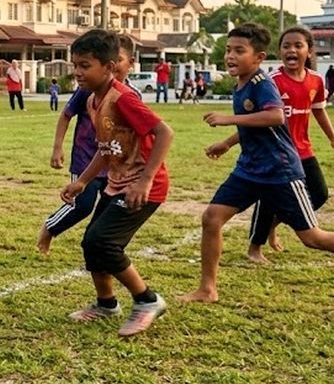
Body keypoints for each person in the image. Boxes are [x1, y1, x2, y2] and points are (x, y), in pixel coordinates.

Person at [180, 23, 334, 304]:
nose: (231, 56)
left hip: (280, 170)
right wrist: (226, 144)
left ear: (259, 57)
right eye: (228, 50)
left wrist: (229, 119)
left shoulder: (263, 84)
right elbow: (256, 125)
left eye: (240, 51)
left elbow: (275, 117)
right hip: (249, 169)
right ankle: (207, 289)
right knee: (212, 218)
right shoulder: (241, 84)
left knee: (313, 238)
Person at [60, 29, 173, 336]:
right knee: (90, 244)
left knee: (104, 243)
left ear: (109, 67)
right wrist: (82, 181)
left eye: (85, 66)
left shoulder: (122, 99)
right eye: (75, 65)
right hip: (117, 182)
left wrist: (145, 181)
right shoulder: (94, 101)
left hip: (142, 187)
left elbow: (164, 133)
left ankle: (147, 300)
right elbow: (106, 148)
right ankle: (106, 304)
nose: (78, 73)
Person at [36, 32, 140, 254]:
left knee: (107, 210)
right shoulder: (88, 90)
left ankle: (97, 252)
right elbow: (66, 114)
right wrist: (57, 148)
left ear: (129, 63)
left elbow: (146, 134)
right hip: (85, 159)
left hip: (112, 163)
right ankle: (50, 227)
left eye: (120, 61)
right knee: (82, 205)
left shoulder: (132, 96)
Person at [245, 27, 334, 262]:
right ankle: (255, 247)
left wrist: (332, 137)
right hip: (275, 152)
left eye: (298, 45)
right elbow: (256, 120)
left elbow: (319, 112)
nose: (291, 50)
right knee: (268, 198)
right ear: (279, 51)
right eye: (286, 46)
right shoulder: (272, 82)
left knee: (319, 193)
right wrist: (227, 142)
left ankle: (275, 223)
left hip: (302, 151)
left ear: (310, 52)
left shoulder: (315, 81)